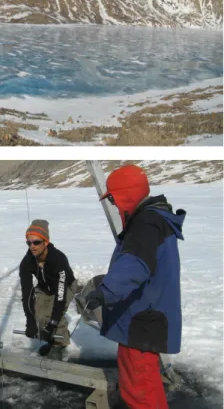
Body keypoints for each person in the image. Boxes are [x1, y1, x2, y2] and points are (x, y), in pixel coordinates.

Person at [82, 165, 185, 409]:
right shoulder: (155, 220)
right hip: (145, 318)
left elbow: (134, 266)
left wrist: (104, 293)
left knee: (140, 393)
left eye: (114, 199)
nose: (115, 205)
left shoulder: (146, 225)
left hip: (141, 322)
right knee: (144, 387)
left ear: (127, 194)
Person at [19, 219, 78, 359]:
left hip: (66, 286)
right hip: (45, 286)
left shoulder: (58, 259)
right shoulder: (27, 262)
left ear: (46, 242)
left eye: (36, 242)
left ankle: (59, 344)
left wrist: (53, 323)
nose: (32, 246)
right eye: (29, 243)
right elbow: (27, 293)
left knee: (54, 314)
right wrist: (30, 321)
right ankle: (51, 341)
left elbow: (60, 296)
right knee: (39, 315)